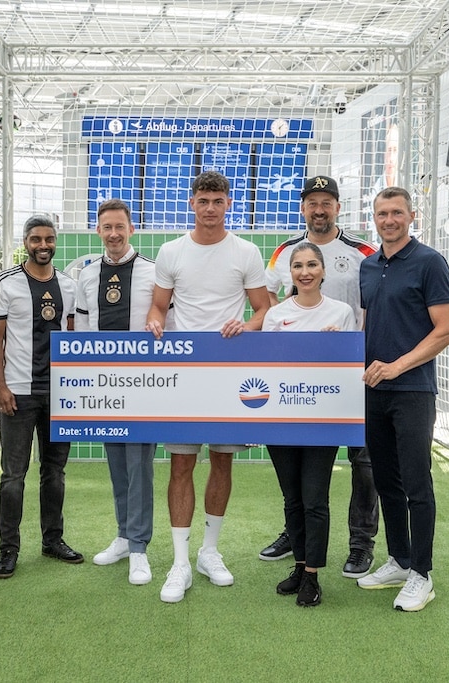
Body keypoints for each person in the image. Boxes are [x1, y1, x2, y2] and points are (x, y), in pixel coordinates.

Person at [145, 170, 270, 603]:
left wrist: (247, 325)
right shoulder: (171, 251)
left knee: (222, 462)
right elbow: (158, 307)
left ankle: (209, 552)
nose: (211, 207)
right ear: (192, 203)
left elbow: (262, 311)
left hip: (229, 373)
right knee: (180, 465)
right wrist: (156, 323)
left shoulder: (247, 251)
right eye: (204, 200)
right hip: (183, 374)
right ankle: (179, 561)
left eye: (218, 200)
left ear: (229, 203)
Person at [259, 175, 380, 581]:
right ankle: (298, 539)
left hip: (353, 375)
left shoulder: (362, 252)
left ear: (337, 207)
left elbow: (372, 308)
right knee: (299, 473)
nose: (319, 209)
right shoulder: (284, 252)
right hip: (299, 386)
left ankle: (361, 542)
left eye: (326, 202)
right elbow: (267, 297)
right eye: (312, 202)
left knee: (363, 461)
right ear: (304, 208)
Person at [357, 186, 449, 612]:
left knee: (417, 483)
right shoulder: (367, 265)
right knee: (386, 482)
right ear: (374, 219)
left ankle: (422, 573)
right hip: (373, 392)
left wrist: (398, 365)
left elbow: (445, 330)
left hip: (413, 390)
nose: (389, 219)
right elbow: (368, 323)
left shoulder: (430, 262)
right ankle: (399, 558)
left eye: (397, 212)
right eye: (382, 213)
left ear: (411, 216)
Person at [0, 215, 82, 579]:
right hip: (18, 394)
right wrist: (1, 387)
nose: (43, 245)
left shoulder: (69, 286)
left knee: (54, 472)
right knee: (13, 475)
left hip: (58, 394)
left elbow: (73, 339)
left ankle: (52, 540)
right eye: (36, 239)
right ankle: (8, 549)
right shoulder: (5, 282)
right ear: (25, 242)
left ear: (55, 242)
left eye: (49, 239)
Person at [263, 242, 357, 607]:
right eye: (298, 265)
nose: (305, 272)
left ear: (322, 270)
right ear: (291, 273)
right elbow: (267, 371)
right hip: (283, 422)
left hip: (323, 421)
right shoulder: (276, 316)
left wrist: (336, 349)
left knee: (315, 499)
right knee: (293, 500)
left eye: (312, 265)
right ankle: (300, 566)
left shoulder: (342, 312)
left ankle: (314, 576)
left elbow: (349, 368)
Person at [75, 198, 161, 586]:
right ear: (98, 230)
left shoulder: (153, 273)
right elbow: (79, 329)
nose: (113, 234)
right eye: (106, 227)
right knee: (115, 464)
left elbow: (165, 325)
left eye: (119, 227)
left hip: (142, 386)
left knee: (139, 465)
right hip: (103, 387)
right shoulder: (87, 275)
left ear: (131, 229)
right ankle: (125, 536)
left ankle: (140, 547)